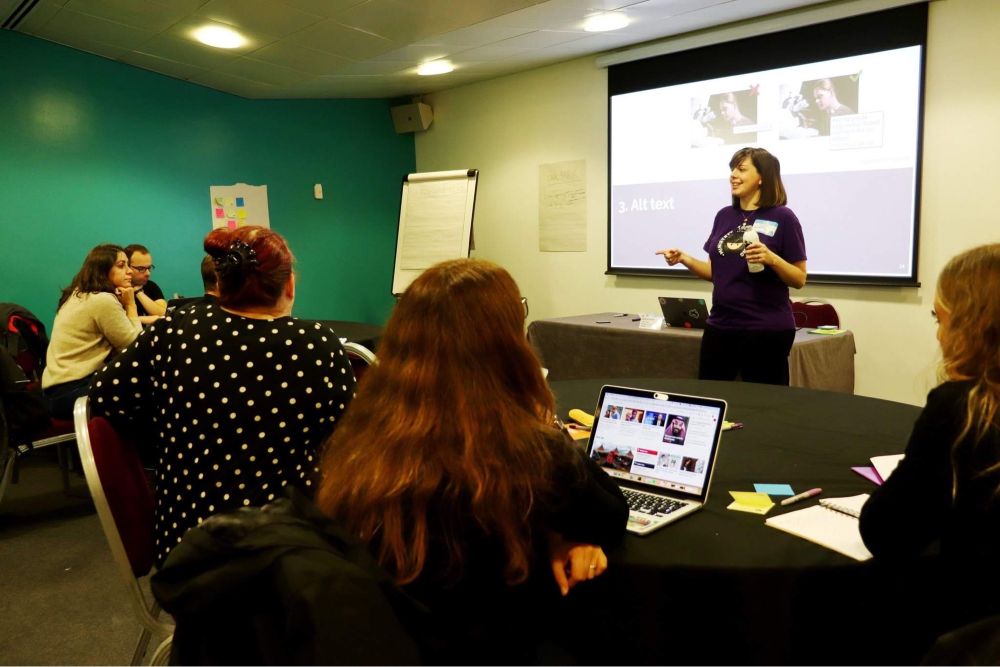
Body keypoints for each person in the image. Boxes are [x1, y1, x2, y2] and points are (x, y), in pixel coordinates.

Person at [314, 258, 629, 663]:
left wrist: (560, 533)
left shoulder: (364, 434)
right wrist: (543, 422)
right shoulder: (520, 446)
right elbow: (609, 514)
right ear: (504, 341)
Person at [90, 225, 357, 565]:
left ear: (219, 284)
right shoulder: (316, 344)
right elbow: (352, 445)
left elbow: (105, 398)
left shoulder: (172, 332)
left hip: (188, 551)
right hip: (290, 554)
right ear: (288, 285)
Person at [859, 243, 1000, 631]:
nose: (938, 336)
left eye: (940, 319)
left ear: (970, 326)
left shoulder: (958, 409)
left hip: (968, 624)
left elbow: (886, 532)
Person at [656, 147, 807, 385]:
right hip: (721, 326)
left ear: (762, 178)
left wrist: (772, 258)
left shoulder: (783, 217)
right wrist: (685, 259)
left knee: (763, 407)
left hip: (765, 330)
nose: (733, 175)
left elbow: (799, 278)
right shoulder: (724, 216)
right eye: (732, 169)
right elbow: (715, 273)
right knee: (713, 401)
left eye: (742, 169)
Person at [41, 244, 141, 419]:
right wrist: (131, 305)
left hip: (55, 392)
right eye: (121, 265)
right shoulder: (102, 300)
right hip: (75, 392)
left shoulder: (76, 294)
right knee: (150, 389)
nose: (130, 271)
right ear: (102, 270)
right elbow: (135, 348)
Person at [125, 243, 167, 324]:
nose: (148, 273)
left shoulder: (151, 286)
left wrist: (138, 292)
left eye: (149, 268)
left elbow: (163, 314)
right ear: (127, 267)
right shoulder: (116, 290)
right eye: (141, 268)